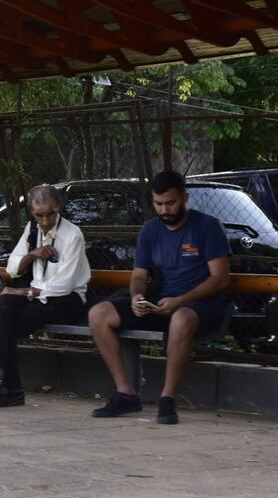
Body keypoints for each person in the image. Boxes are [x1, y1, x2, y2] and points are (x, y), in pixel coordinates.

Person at [88, 170, 231, 424]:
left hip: (201, 306)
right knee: (98, 314)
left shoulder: (208, 227)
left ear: (185, 197)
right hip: (161, 303)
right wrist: (137, 297)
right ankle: (125, 393)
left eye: (171, 203)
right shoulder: (150, 230)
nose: (164, 210)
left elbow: (220, 278)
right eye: (158, 204)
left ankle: (167, 399)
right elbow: (139, 275)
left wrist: (181, 301)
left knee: (181, 318)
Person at [0, 184, 91, 407]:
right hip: (36, 293)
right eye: (39, 215)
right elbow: (12, 268)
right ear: (31, 211)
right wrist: (32, 255)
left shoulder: (72, 235)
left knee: (6, 323)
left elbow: (64, 285)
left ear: (57, 207)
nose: (45, 221)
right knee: (1, 307)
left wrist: (27, 291)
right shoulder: (32, 230)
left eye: (50, 214)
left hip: (65, 300)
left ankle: (5, 382)